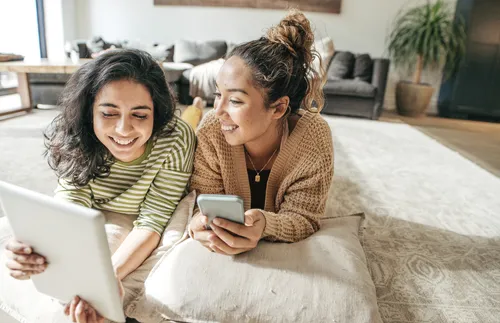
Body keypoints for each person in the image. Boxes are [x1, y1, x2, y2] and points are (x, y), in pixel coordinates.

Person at [3, 49, 196, 322]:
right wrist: (37, 249)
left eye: (140, 115)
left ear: (156, 112)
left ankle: (197, 105)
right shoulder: (78, 135)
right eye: (108, 113)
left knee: (194, 117)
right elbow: (70, 201)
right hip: (96, 209)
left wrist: (106, 280)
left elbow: (152, 220)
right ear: (89, 111)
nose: (123, 130)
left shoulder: (176, 138)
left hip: (138, 213)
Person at [188, 10, 334, 255]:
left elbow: (305, 217)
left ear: (278, 108)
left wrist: (267, 225)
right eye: (217, 95)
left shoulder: (313, 139)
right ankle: (194, 107)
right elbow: (200, 201)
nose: (219, 110)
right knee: (189, 121)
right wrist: (198, 224)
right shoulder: (212, 130)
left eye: (234, 100)